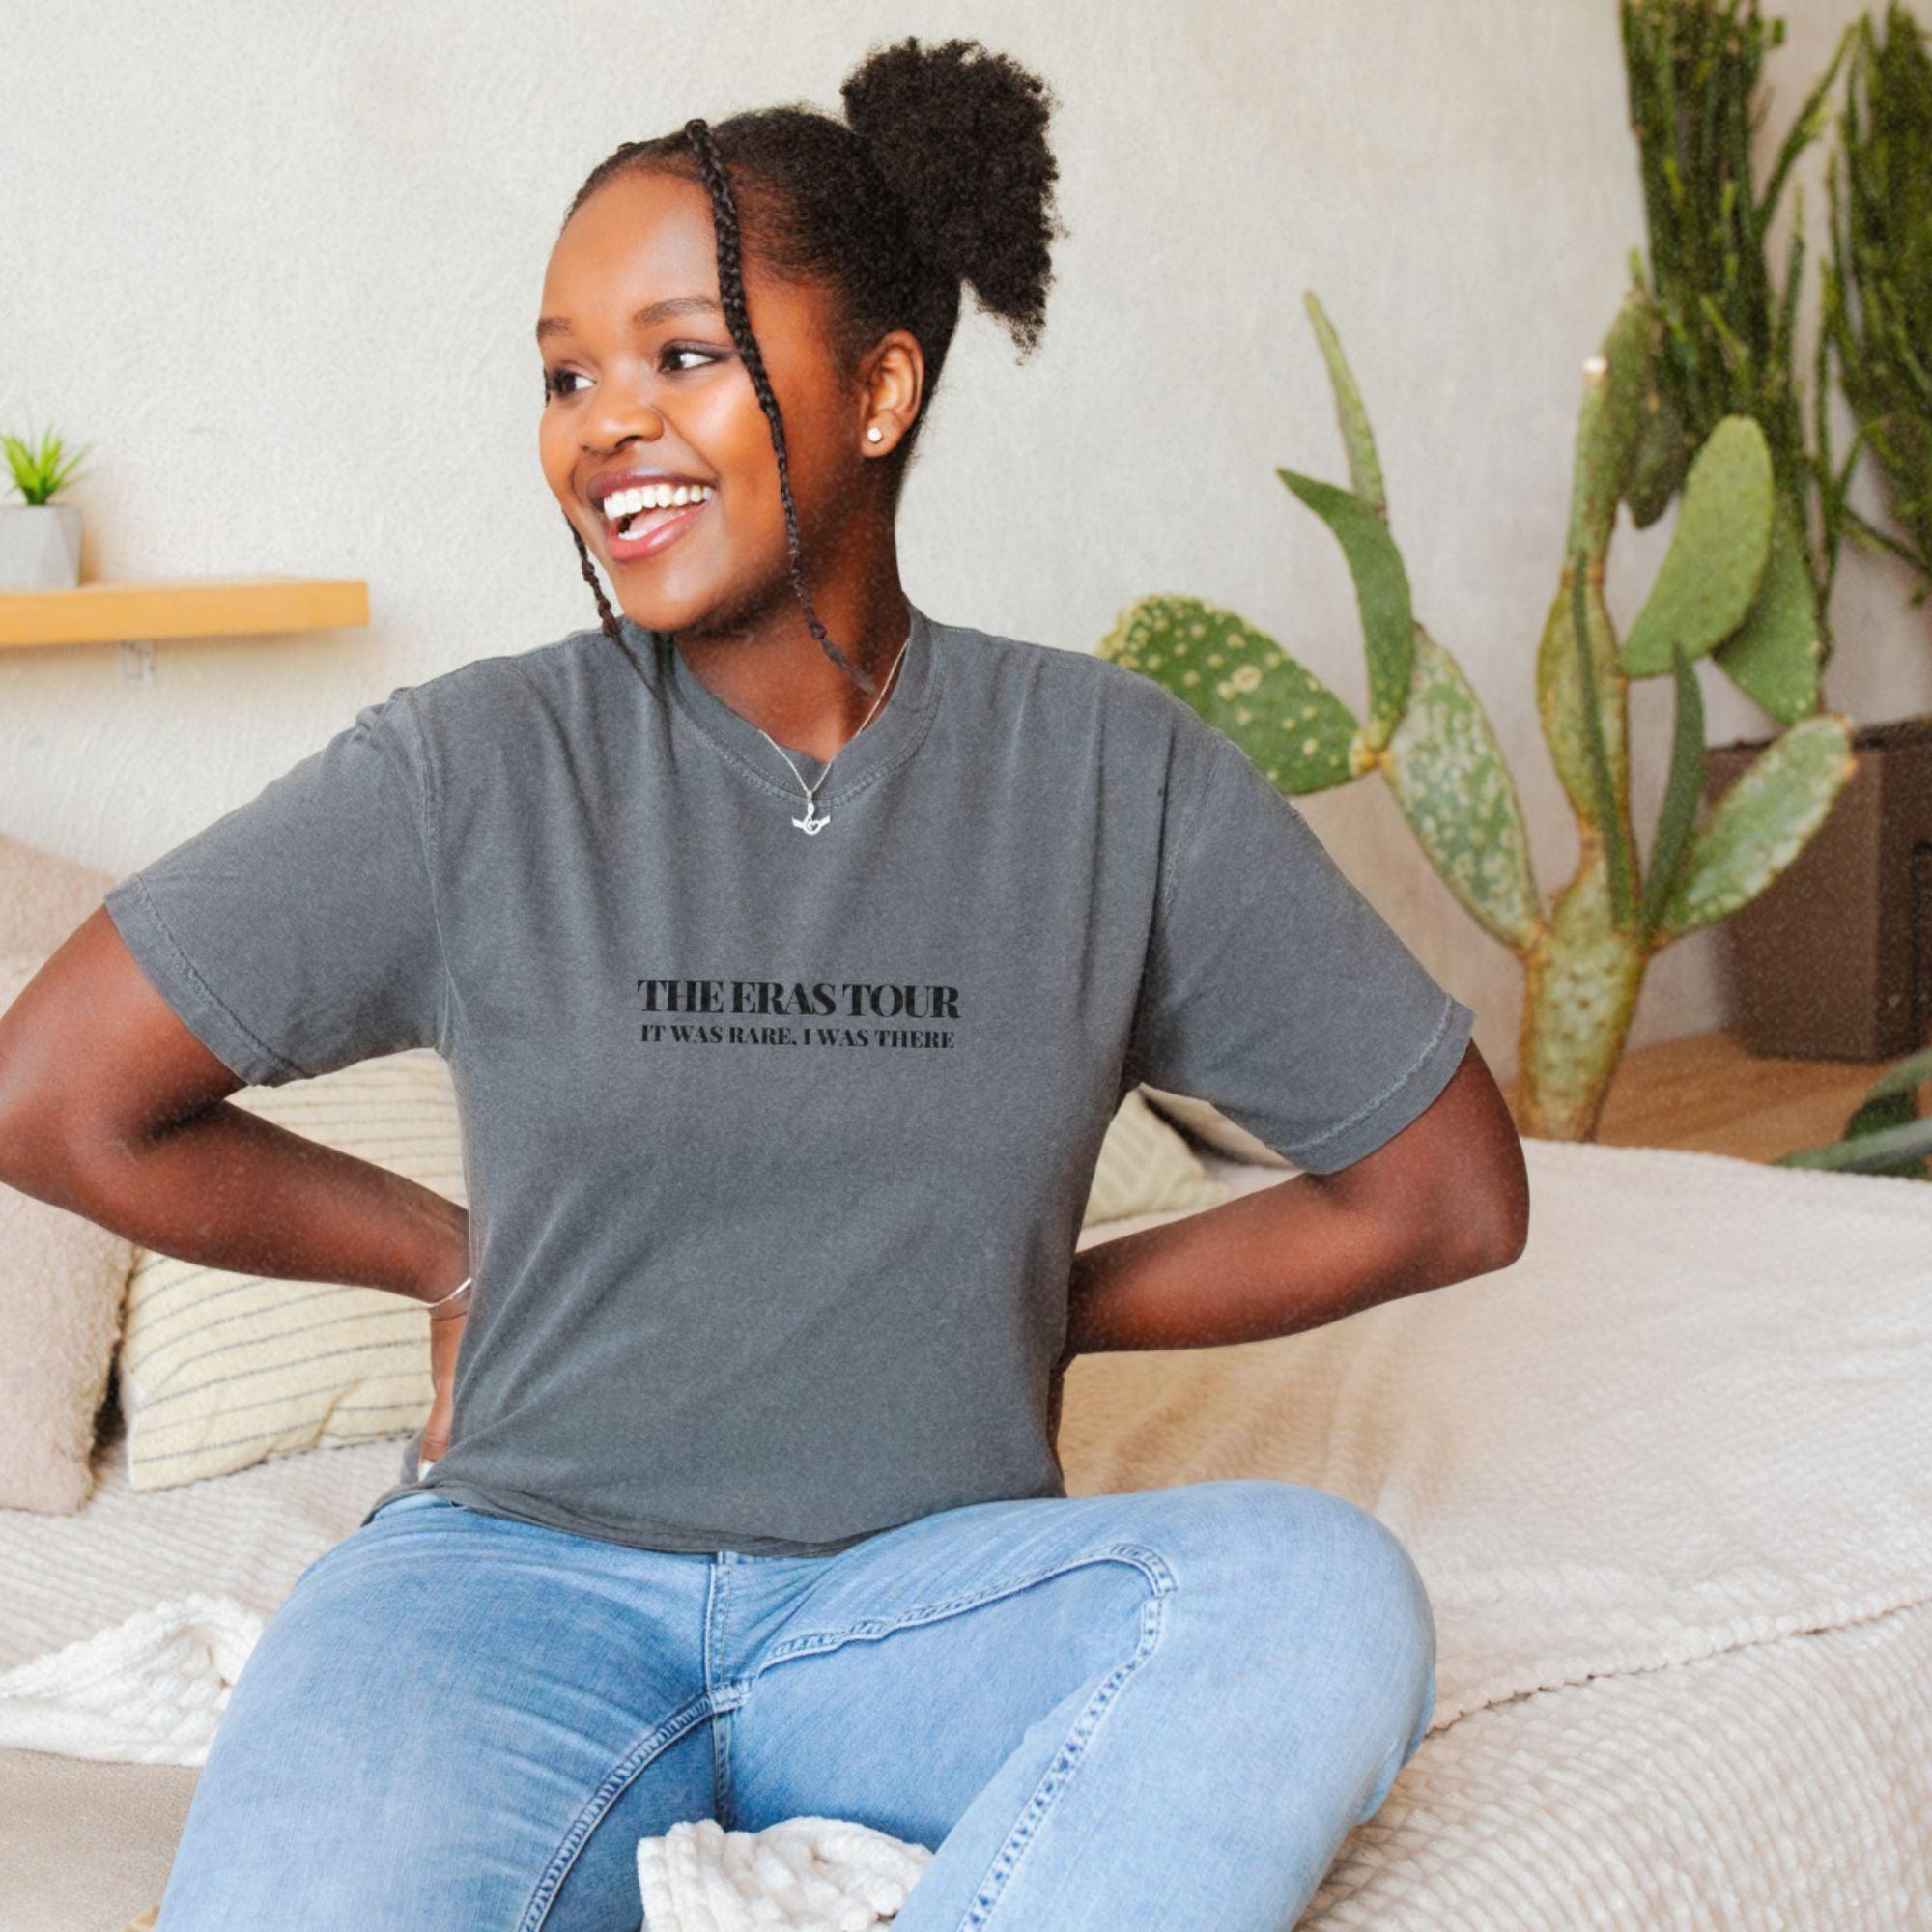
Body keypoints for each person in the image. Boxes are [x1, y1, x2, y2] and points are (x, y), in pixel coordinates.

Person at [0, 34, 1528, 1931]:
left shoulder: (1116, 779)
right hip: (506, 1583)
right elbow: (48, 1090)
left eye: (681, 355)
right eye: (565, 373)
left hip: (922, 1599)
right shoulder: (470, 772)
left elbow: (1447, 1192)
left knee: (1312, 1594)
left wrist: (1029, 1299)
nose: (600, 421)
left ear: (878, 387)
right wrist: (440, 1254)